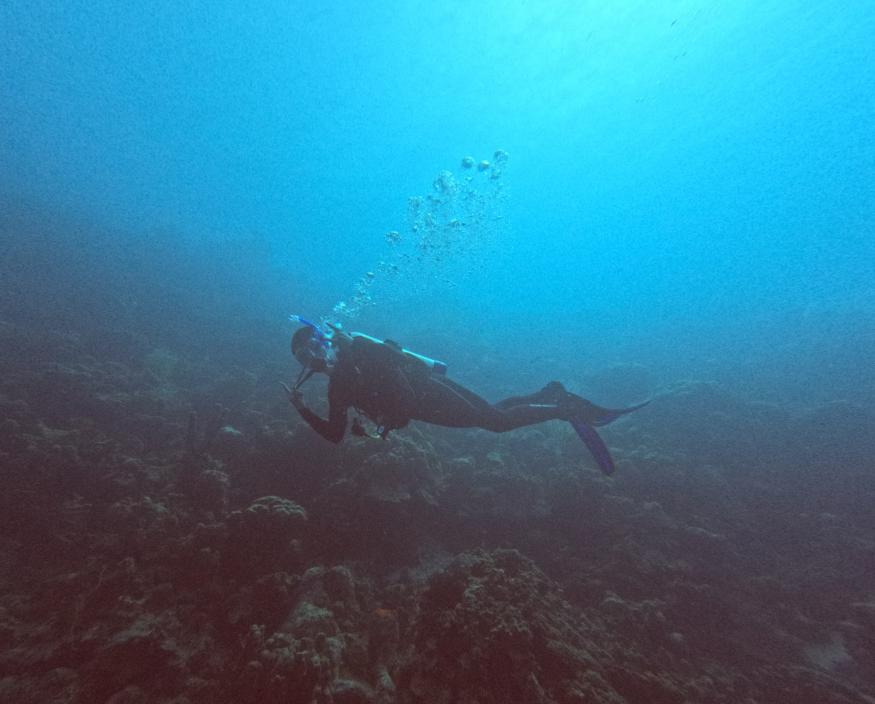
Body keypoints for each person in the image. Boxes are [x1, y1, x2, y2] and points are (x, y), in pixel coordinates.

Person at [283, 318, 647, 475]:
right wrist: (302, 409)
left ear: (323, 338)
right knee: (490, 415)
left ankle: (565, 409)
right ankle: (550, 394)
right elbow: (334, 435)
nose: (313, 357)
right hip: (423, 406)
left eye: (314, 345)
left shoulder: (356, 345)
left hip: (427, 390)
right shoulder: (337, 388)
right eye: (304, 357)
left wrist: (353, 344)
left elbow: (394, 356)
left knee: (495, 424)